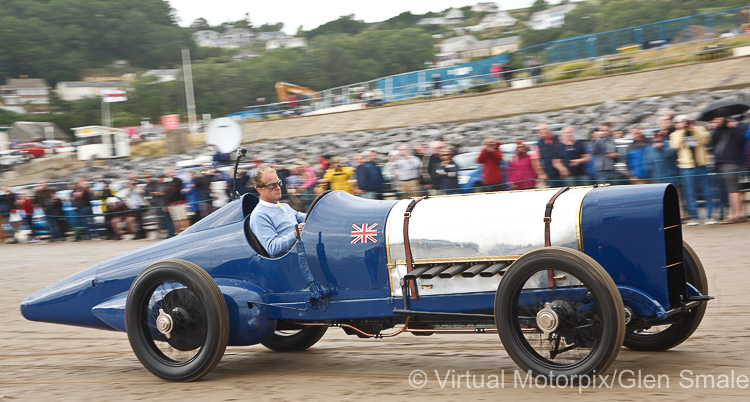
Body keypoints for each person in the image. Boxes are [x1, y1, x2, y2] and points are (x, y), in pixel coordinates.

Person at [249, 166, 306, 257]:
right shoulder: (259, 215)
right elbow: (272, 248)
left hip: (303, 252)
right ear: (260, 190)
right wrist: (296, 233)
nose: (278, 187)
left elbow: (305, 217)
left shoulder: (284, 206)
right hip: (290, 261)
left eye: (278, 183)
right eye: (272, 185)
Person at [670, 115, 712, 225]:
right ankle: (694, 216)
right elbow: (675, 145)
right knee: (690, 193)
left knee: (707, 191)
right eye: (682, 122)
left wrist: (694, 129)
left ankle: (709, 216)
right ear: (676, 124)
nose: (685, 123)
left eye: (686, 121)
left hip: (701, 165)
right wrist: (683, 131)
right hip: (687, 167)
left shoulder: (699, 130)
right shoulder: (675, 134)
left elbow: (705, 140)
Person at [711, 115, 748, 223]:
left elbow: (742, 140)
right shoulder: (719, 130)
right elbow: (713, 141)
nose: (716, 121)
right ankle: (740, 213)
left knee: (733, 190)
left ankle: (736, 214)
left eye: (718, 119)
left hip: (732, 162)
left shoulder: (738, 128)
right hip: (722, 163)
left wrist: (734, 127)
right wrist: (718, 127)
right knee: (733, 190)